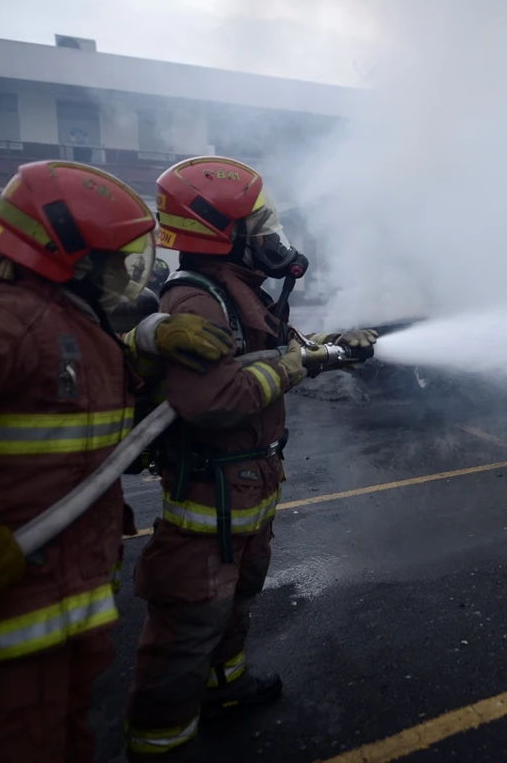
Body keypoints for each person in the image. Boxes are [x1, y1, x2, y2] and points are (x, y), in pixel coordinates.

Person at [0, 160, 237, 763]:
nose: (127, 274)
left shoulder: (65, 327)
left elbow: (95, 392)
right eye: (116, 260)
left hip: (53, 619)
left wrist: (148, 338)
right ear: (72, 259)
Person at [124, 156, 377, 761]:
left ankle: (225, 686)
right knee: (191, 625)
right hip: (208, 503)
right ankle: (160, 744)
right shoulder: (199, 300)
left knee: (236, 600)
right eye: (259, 225)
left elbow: (285, 351)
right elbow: (213, 401)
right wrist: (292, 368)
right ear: (222, 232)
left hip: (245, 493)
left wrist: (336, 348)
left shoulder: (239, 294)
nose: (272, 236)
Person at [109, 258, 171, 334]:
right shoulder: (130, 289)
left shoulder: (151, 299)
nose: (146, 277)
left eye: (151, 276)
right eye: (146, 273)